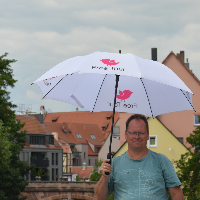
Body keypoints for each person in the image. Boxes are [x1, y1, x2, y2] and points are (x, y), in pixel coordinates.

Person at [95, 114, 184, 200]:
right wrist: (105, 177)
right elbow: (99, 197)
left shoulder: (162, 161)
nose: (137, 137)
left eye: (141, 133)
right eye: (133, 132)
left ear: (148, 134)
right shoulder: (114, 163)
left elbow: (176, 193)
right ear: (126, 135)